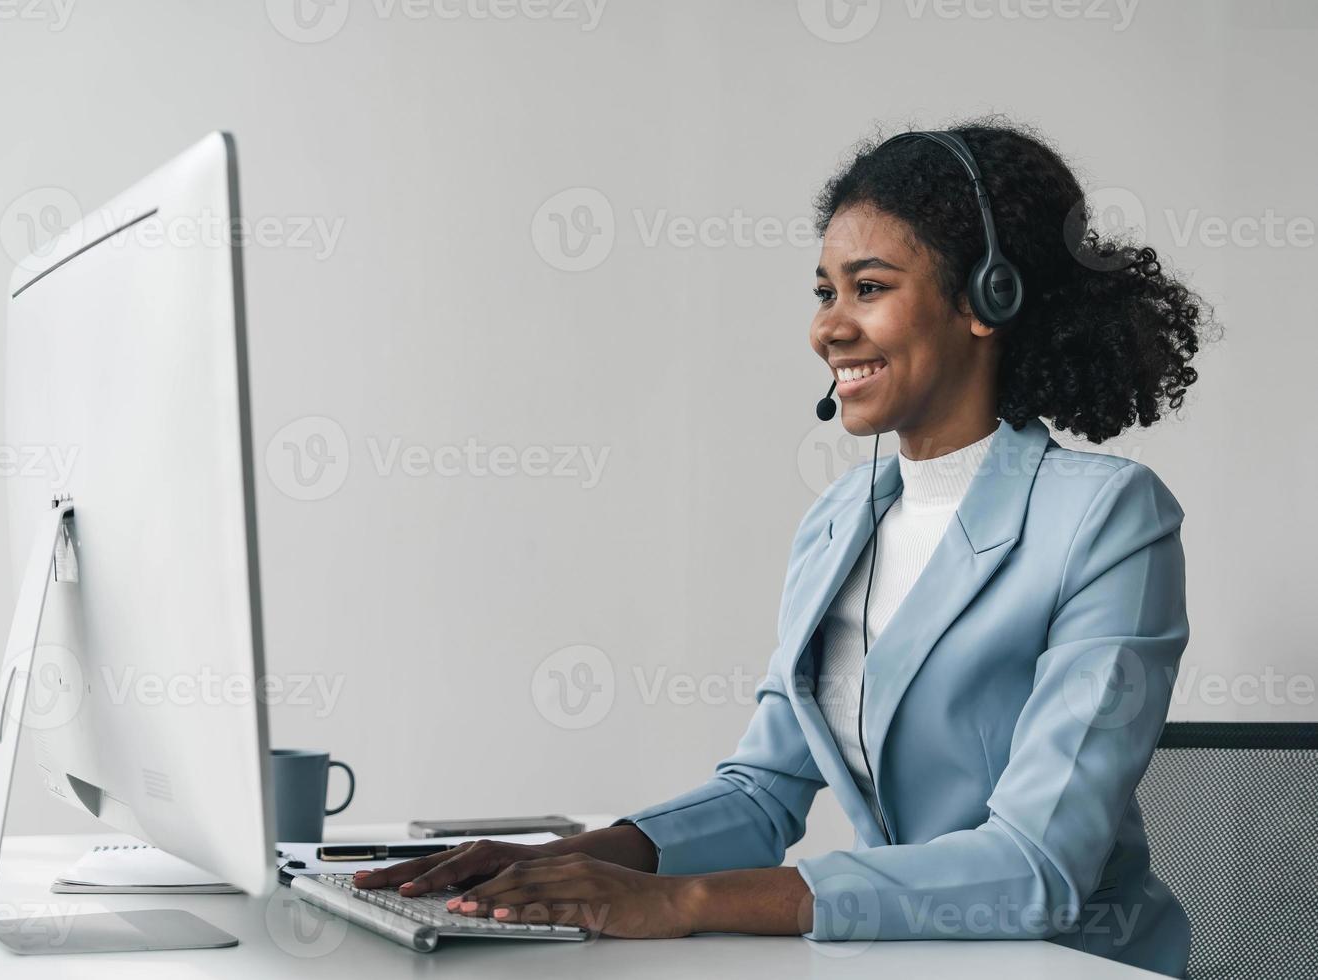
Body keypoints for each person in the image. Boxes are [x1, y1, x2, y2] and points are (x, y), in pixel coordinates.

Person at [354, 116, 1216, 977]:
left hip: (1064, 963)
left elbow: (1036, 867)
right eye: (823, 293)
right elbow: (762, 792)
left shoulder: (1104, 519)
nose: (828, 329)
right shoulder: (842, 522)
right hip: (907, 957)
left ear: (983, 299)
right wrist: (572, 857)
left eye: (867, 288)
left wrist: (684, 903)